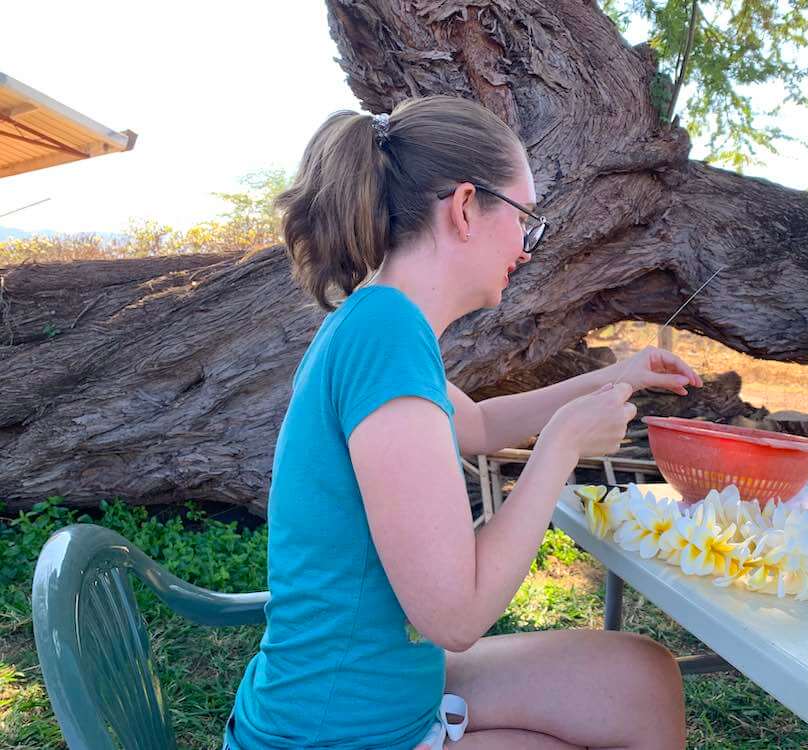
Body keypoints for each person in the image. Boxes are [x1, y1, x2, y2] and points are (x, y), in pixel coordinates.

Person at [223, 94, 701, 750]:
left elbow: (474, 424)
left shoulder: (380, 324)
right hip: (337, 733)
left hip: (385, 687)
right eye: (524, 218)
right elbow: (457, 616)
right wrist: (562, 446)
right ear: (465, 208)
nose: (528, 248)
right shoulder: (384, 334)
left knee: (644, 680)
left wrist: (619, 376)